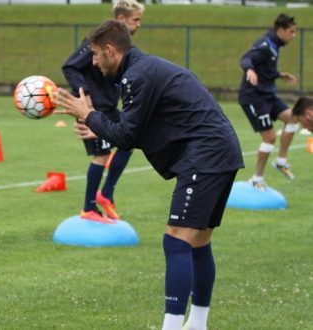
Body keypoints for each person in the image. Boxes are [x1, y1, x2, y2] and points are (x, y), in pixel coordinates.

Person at [53, 20, 244, 330]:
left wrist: (88, 114)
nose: (93, 62)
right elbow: (132, 128)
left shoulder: (136, 76)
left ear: (110, 50)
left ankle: (173, 326)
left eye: (96, 55)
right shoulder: (144, 70)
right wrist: (94, 121)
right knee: (198, 240)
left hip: (206, 155)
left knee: (176, 240)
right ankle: (197, 324)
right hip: (220, 151)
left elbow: (127, 137)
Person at [61, 0, 144, 223]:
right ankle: (88, 207)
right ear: (121, 19)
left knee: (129, 142)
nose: (139, 25)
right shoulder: (95, 43)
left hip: (109, 106)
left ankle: (105, 194)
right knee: (102, 155)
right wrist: (84, 94)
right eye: (135, 20)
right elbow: (70, 66)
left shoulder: (121, 49)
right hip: (93, 108)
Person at [238, 14, 299, 191]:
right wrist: (249, 70)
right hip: (253, 97)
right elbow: (246, 58)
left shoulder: (275, 45)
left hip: (267, 94)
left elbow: (264, 68)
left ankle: (280, 161)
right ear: (280, 31)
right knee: (270, 137)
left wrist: (279, 74)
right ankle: (256, 178)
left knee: (292, 118)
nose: (293, 35)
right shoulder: (265, 43)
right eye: (291, 32)